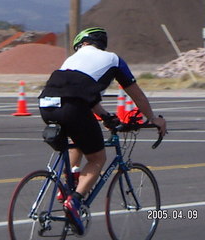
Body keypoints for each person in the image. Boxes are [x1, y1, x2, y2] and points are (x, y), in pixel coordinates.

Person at [38, 27, 167, 235]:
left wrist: (106, 116)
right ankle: (75, 201)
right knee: (97, 158)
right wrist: (153, 118)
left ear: (81, 44)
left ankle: (66, 186)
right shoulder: (113, 59)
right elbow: (136, 94)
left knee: (77, 139)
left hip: (46, 103)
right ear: (102, 44)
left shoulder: (71, 60)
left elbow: (83, 95)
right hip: (73, 107)